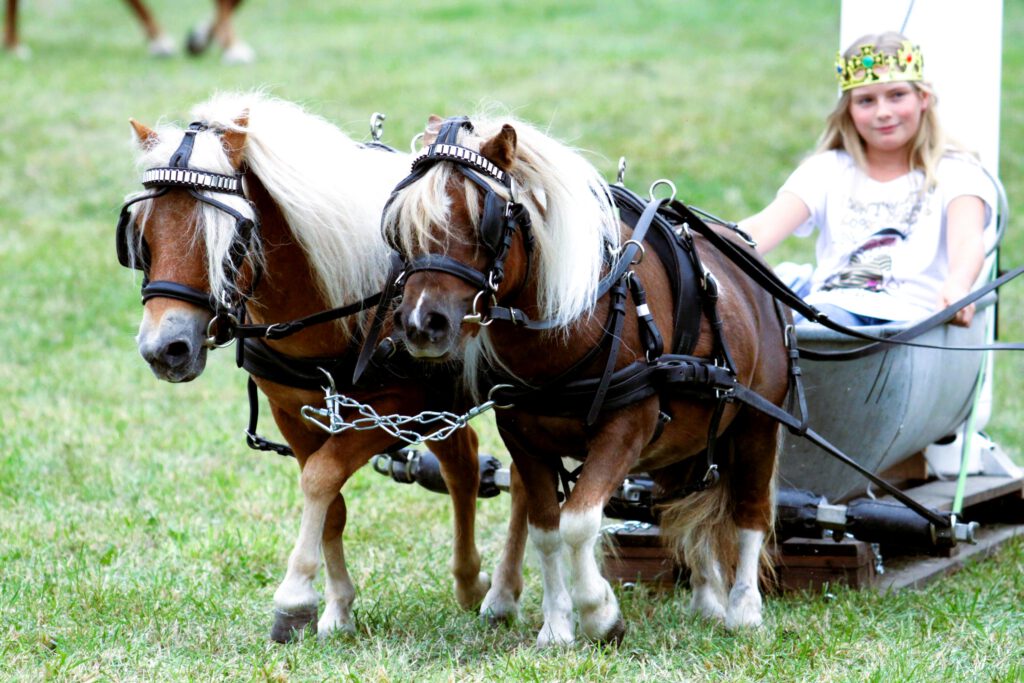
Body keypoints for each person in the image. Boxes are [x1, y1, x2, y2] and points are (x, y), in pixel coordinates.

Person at [740, 31, 993, 328]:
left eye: (897, 95)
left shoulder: (957, 171)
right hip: (833, 312)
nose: (883, 112)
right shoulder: (827, 170)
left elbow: (967, 239)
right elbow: (762, 228)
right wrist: (700, 240)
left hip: (912, 319)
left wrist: (958, 285)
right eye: (866, 101)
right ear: (849, 109)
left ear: (923, 98)